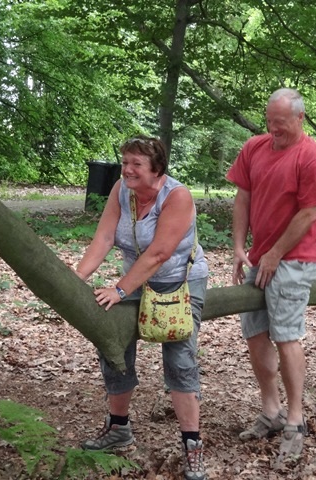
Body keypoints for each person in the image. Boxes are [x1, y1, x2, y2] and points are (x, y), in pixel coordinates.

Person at [74, 135, 209, 480]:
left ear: (157, 169)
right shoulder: (122, 189)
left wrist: (119, 289)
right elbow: (104, 238)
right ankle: (118, 427)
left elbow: (160, 253)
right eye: (125, 162)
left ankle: (193, 446)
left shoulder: (177, 196)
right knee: (113, 343)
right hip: (135, 280)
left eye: (137, 163)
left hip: (177, 281)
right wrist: (74, 279)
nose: (128, 169)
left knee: (180, 360)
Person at [226, 88, 316, 462]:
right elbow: (243, 197)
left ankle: (295, 419)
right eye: (270, 122)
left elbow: (308, 214)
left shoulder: (312, 157)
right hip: (261, 257)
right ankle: (271, 411)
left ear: (300, 119)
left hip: (296, 259)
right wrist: (241, 247)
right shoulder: (254, 148)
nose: (274, 130)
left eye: (282, 124)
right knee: (255, 333)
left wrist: (275, 254)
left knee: (286, 335)